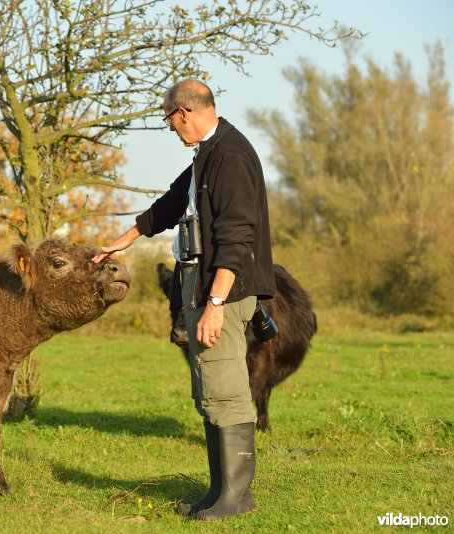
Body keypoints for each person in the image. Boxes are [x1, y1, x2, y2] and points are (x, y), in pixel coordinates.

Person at [92, 79, 275, 521]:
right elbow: (173, 203)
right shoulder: (207, 154)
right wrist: (126, 238)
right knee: (209, 387)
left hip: (222, 293)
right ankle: (219, 491)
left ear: (184, 113)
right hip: (202, 285)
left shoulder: (230, 156)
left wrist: (214, 304)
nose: (171, 130)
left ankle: (237, 497)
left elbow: (235, 237)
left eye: (169, 121)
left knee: (227, 389)